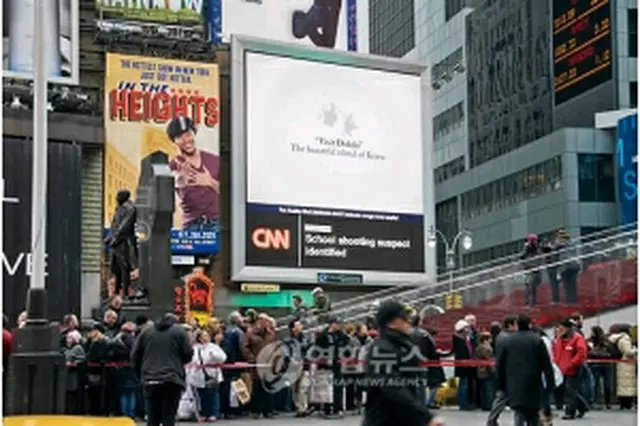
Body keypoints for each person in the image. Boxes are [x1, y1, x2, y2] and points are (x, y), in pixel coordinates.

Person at [362, 300, 444, 426]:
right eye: (404, 318)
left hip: (404, 418)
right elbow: (394, 389)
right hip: (385, 419)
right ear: (391, 323)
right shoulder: (381, 349)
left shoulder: (404, 345)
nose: (409, 321)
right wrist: (426, 417)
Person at [131, 313, 194, 426]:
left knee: (152, 417)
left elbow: (135, 355)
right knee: (169, 417)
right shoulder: (179, 331)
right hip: (172, 378)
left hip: (150, 378)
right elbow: (188, 353)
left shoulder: (146, 331)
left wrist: (141, 373)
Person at [496, 314, 554, 426]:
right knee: (533, 413)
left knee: (519, 411)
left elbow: (501, 364)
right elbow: (546, 364)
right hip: (533, 382)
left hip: (514, 383)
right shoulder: (537, 340)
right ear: (529, 324)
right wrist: (550, 383)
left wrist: (500, 385)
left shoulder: (508, 341)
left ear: (517, 324)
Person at [167, 116, 220, 230]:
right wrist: (181, 180)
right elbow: (176, 183)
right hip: (192, 226)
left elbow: (230, 193)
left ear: (194, 134)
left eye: (188, 134)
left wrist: (210, 182)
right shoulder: (173, 166)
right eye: (180, 137)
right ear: (174, 141)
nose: (186, 140)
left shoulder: (215, 160)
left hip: (217, 224)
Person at [241, 313, 277, 419]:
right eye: (261, 320)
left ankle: (268, 410)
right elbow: (245, 347)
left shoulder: (271, 334)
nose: (263, 323)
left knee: (268, 388)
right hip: (256, 364)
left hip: (268, 365)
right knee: (256, 388)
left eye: (265, 321)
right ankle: (255, 410)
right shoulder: (250, 334)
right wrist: (252, 358)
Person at [553, 318, 589, 419]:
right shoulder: (559, 339)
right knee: (569, 390)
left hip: (574, 368)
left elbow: (581, 353)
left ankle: (570, 412)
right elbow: (557, 353)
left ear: (567, 328)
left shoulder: (577, 338)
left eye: (560, 327)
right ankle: (583, 407)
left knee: (570, 390)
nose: (558, 329)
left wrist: (572, 364)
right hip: (561, 369)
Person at [190, 329, 227, 422]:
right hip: (199, 375)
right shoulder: (195, 348)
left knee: (213, 395)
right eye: (203, 336)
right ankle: (204, 413)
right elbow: (192, 360)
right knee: (201, 395)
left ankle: (214, 413)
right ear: (199, 338)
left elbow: (223, 358)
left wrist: (214, 355)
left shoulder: (213, 347)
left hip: (212, 374)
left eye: (207, 336)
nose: (205, 338)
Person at [106, 189, 137, 299]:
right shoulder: (119, 209)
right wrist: (109, 237)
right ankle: (116, 293)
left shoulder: (129, 208)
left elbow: (125, 226)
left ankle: (125, 293)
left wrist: (115, 238)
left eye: (118, 196)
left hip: (124, 243)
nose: (116, 198)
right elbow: (114, 225)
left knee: (125, 268)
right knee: (116, 268)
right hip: (116, 243)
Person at [487, 314, 517, 426]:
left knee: (502, 397)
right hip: (507, 372)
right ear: (510, 325)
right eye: (516, 324)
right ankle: (492, 419)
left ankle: (492, 419)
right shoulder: (507, 338)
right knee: (502, 397)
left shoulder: (501, 336)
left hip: (503, 371)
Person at [608, 323, 637, 410]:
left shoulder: (618, 339)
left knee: (622, 384)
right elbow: (628, 352)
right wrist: (635, 349)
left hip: (622, 363)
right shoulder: (625, 339)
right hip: (627, 364)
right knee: (627, 384)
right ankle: (626, 403)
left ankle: (623, 403)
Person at [587, 325, 613, 409]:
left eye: (592, 332)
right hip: (603, 364)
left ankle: (599, 401)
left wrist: (593, 351)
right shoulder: (604, 340)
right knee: (601, 384)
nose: (591, 333)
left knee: (598, 384)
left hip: (599, 364)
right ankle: (605, 402)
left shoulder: (603, 341)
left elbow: (610, 351)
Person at [452, 319, 473, 410]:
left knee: (463, 384)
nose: (468, 330)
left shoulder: (463, 340)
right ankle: (463, 403)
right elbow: (462, 354)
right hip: (463, 366)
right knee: (463, 385)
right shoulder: (459, 341)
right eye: (466, 328)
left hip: (464, 366)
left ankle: (463, 402)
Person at [521, 234, 543, 307]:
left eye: (535, 240)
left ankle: (533, 302)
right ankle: (527, 302)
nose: (534, 241)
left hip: (536, 267)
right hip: (529, 268)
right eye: (533, 240)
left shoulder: (538, 247)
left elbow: (540, 255)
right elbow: (522, 256)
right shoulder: (527, 247)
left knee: (534, 286)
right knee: (528, 285)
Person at [475, 332, 495, 411]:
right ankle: (488, 404)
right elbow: (488, 360)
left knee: (483, 388)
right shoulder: (487, 348)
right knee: (488, 388)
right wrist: (493, 370)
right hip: (486, 371)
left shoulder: (479, 346)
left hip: (480, 370)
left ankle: (484, 404)